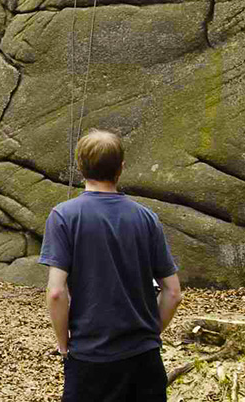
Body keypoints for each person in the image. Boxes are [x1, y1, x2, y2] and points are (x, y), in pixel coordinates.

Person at [39, 129, 183, 402]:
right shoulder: (147, 218)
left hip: (90, 361)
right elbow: (173, 293)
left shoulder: (63, 217)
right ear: (121, 168)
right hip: (145, 361)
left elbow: (56, 293)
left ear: (79, 167)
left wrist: (63, 345)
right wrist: (149, 334)